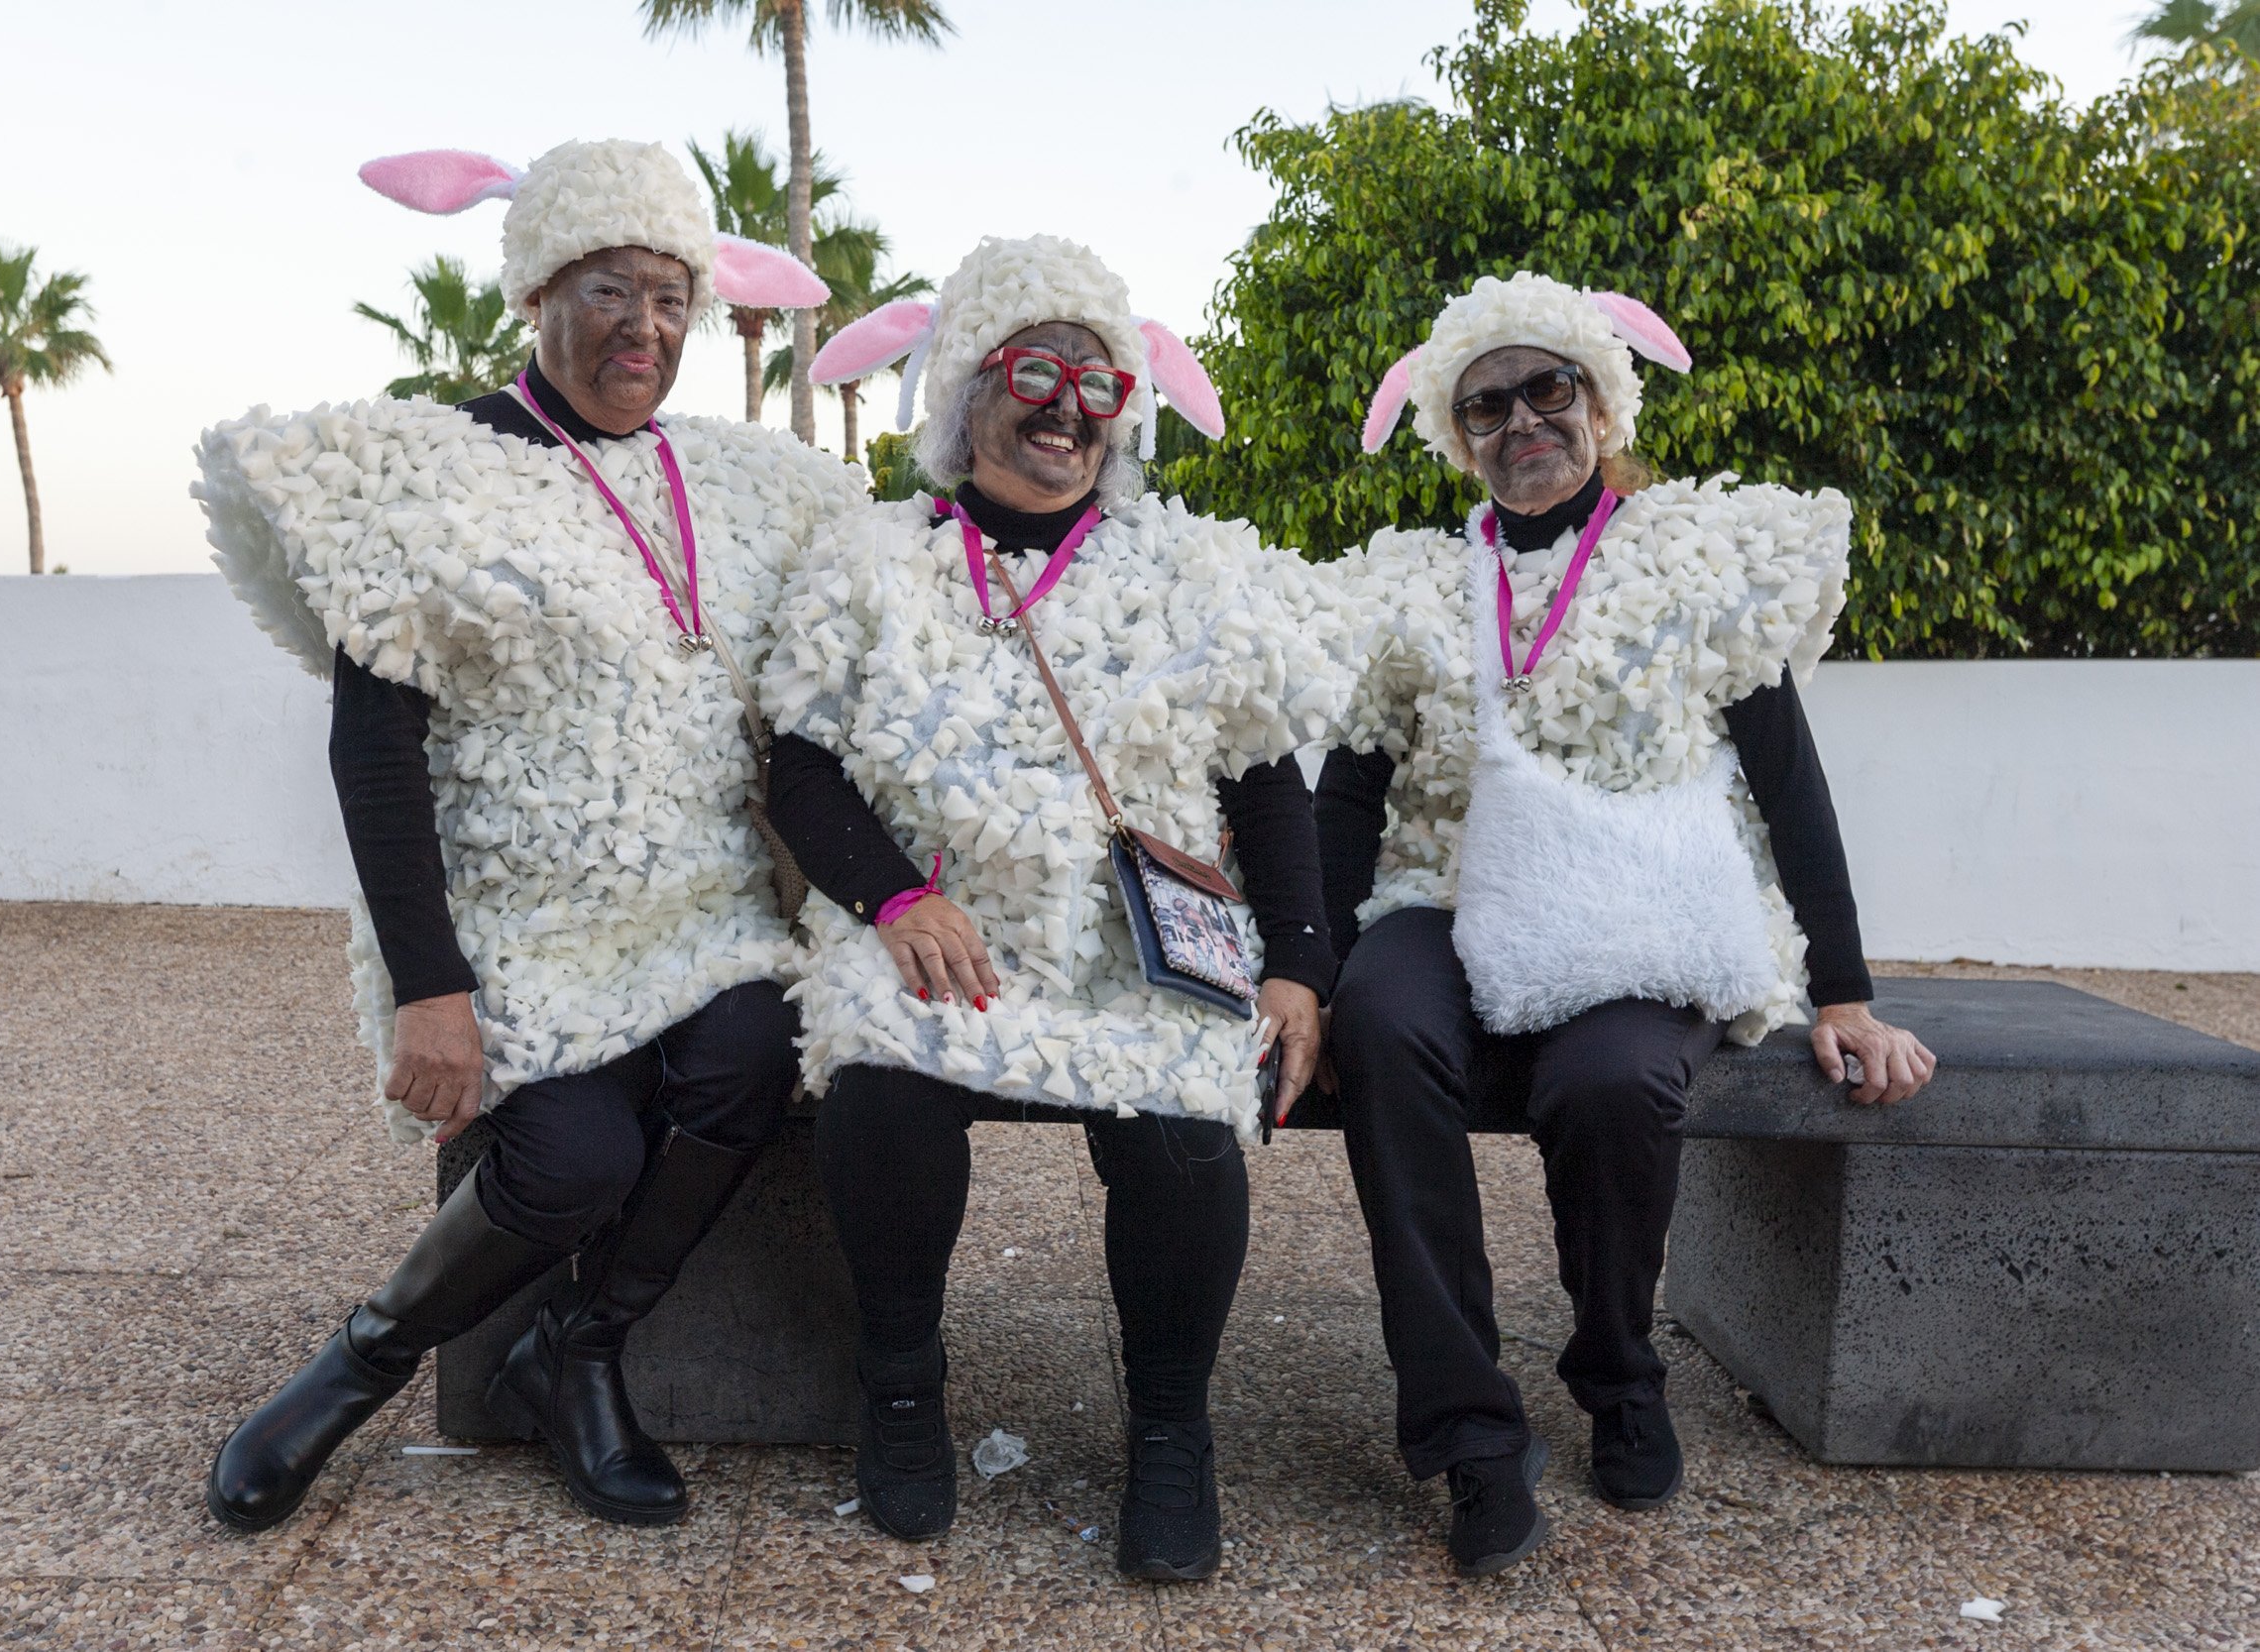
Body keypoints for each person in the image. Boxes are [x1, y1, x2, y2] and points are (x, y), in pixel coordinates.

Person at [191, 138, 863, 1532]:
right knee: (578, 1160)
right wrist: (431, 987)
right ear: (537, 289)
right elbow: (372, 750)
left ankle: (584, 1348)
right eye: (611, 289)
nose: (647, 327)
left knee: (751, 1051)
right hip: (515, 919)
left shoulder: (740, 483)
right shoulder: (431, 466)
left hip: (703, 909)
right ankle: (358, 1364)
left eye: (675, 297)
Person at [1316, 272, 1937, 1576]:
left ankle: (1617, 1369)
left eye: (1550, 388)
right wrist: (1305, 975)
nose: (1522, 419)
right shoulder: (1420, 587)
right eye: (1488, 404)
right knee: (1381, 1016)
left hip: (1641, 903)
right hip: (1446, 894)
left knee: (1613, 1080)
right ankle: (1470, 1437)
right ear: (1457, 433)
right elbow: (1350, 793)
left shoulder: (1698, 559)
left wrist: (1845, 991)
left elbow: (1788, 782)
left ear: (1601, 400)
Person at [756, 234, 1349, 1581]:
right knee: (884, 1088)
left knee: (1188, 1130)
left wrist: (1299, 965)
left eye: (1097, 381)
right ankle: (902, 1389)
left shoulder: (1191, 569)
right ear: (963, 391)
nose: (1066, 406)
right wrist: (893, 894)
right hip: (939, 929)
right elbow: (799, 761)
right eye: (1033, 370)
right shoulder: (872, 558)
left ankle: (1170, 1434)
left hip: (1138, 950)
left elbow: (1267, 778)